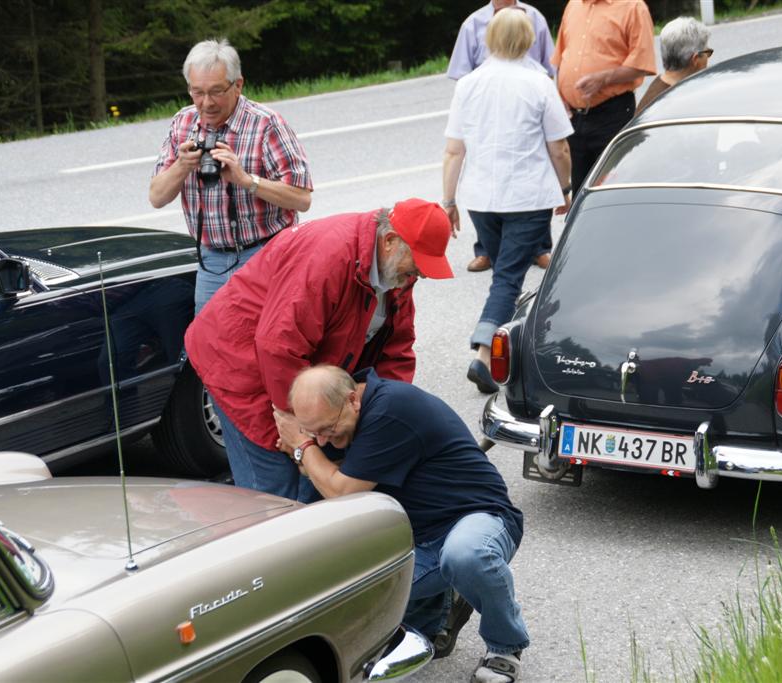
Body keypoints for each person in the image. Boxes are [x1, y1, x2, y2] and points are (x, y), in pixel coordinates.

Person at [185, 199, 454, 502]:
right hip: (240, 365)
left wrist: (381, 413)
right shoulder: (330, 256)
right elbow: (278, 346)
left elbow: (397, 350)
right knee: (275, 492)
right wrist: (300, 433)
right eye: (417, 264)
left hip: (298, 369)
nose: (421, 275)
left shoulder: (397, 272)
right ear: (390, 241)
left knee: (314, 477)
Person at [273, 365, 529, 683]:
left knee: (466, 555)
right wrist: (312, 449)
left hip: (478, 519)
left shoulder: (390, 411)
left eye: (328, 429)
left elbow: (339, 491)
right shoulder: (342, 417)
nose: (325, 439)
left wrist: (302, 446)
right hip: (416, 540)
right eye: (315, 433)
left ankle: (505, 646)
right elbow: (322, 472)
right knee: (347, 597)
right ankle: (447, 602)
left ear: (353, 399)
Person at [442, 8, 573, 394]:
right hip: (526, 195)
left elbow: (453, 150)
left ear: (489, 39)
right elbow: (560, 147)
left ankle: (510, 347)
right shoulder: (539, 84)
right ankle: (485, 354)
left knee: (504, 276)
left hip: (481, 198)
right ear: (530, 40)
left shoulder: (468, 84)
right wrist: (564, 188)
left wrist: (449, 200)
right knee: (508, 278)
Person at [149, 38, 313, 313]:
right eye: (197, 92)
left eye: (216, 92)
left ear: (238, 85)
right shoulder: (183, 122)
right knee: (210, 347)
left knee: (267, 342)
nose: (206, 103)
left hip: (267, 254)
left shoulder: (265, 124)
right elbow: (156, 197)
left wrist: (245, 180)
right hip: (211, 261)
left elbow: (302, 199)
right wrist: (183, 165)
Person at [448, 0, 557, 274]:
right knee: (485, 175)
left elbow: (548, 63)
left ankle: (540, 248)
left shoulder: (534, 17)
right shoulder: (472, 23)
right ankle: (485, 249)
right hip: (487, 109)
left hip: (527, 104)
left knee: (534, 170)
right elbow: (462, 73)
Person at [552, 0, 656, 196]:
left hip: (611, 114)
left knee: (611, 191)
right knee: (580, 194)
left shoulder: (633, 7)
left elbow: (643, 63)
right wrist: (560, 96)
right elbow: (560, 57)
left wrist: (605, 78)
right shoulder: (574, 5)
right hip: (574, 117)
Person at [634, 17, 713, 115]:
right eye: (708, 52)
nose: (708, 57)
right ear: (695, 59)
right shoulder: (673, 104)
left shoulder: (661, 90)